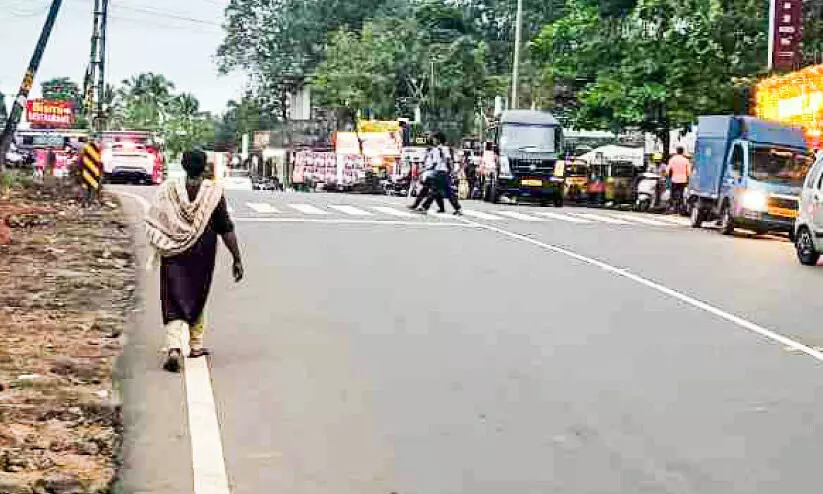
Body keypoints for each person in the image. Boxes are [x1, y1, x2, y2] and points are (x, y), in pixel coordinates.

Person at [145, 150, 244, 373]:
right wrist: (236, 258)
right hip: (202, 251)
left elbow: (156, 218)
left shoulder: (169, 190)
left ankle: (173, 347)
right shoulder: (212, 193)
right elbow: (225, 227)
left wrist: (163, 239)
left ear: (183, 165)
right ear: (204, 167)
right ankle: (195, 345)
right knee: (198, 294)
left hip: (172, 249)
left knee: (172, 295)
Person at [419, 131, 462, 215]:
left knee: (438, 191)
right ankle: (456, 208)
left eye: (434, 139)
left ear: (438, 139)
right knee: (441, 191)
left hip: (440, 172)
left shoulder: (439, 149)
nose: (433, 140)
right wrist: (450, 170)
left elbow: (438, 163)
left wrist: (425, 169)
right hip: (441, 172)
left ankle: (425, 207)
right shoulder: (443, 148)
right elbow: (448, 160)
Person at [667, 146, 690, 213]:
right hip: (683, 180)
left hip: (674, 179)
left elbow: (668, 170)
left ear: (677, 151)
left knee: (673, 193)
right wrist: (687, 178)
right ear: (682, 152)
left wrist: (668, 175)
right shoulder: (686, 160)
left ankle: (672, 206)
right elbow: (688, 172)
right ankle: (680, 207)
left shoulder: (672, 159)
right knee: (681, 193)